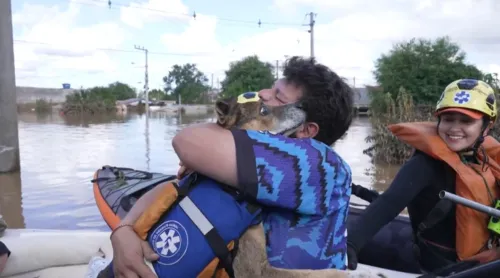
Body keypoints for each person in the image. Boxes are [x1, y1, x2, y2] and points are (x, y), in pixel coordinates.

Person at [108, 56, 355, 277]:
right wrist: (124, 230)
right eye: (271, 87)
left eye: (277, 96)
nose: (262, 94)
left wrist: (216, 138)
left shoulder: (318, 162)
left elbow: (185, 141)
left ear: (306, 130)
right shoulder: (262, 159)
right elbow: (175, 187)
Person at [346, 79, 500, 274]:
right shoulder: (424, 165)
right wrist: (352, 242)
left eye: (466, 121)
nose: (454, 128)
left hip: (486, 257)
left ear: (487, 127)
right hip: (445, 268)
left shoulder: (485, 160)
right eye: (448, 119)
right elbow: (389, 203)